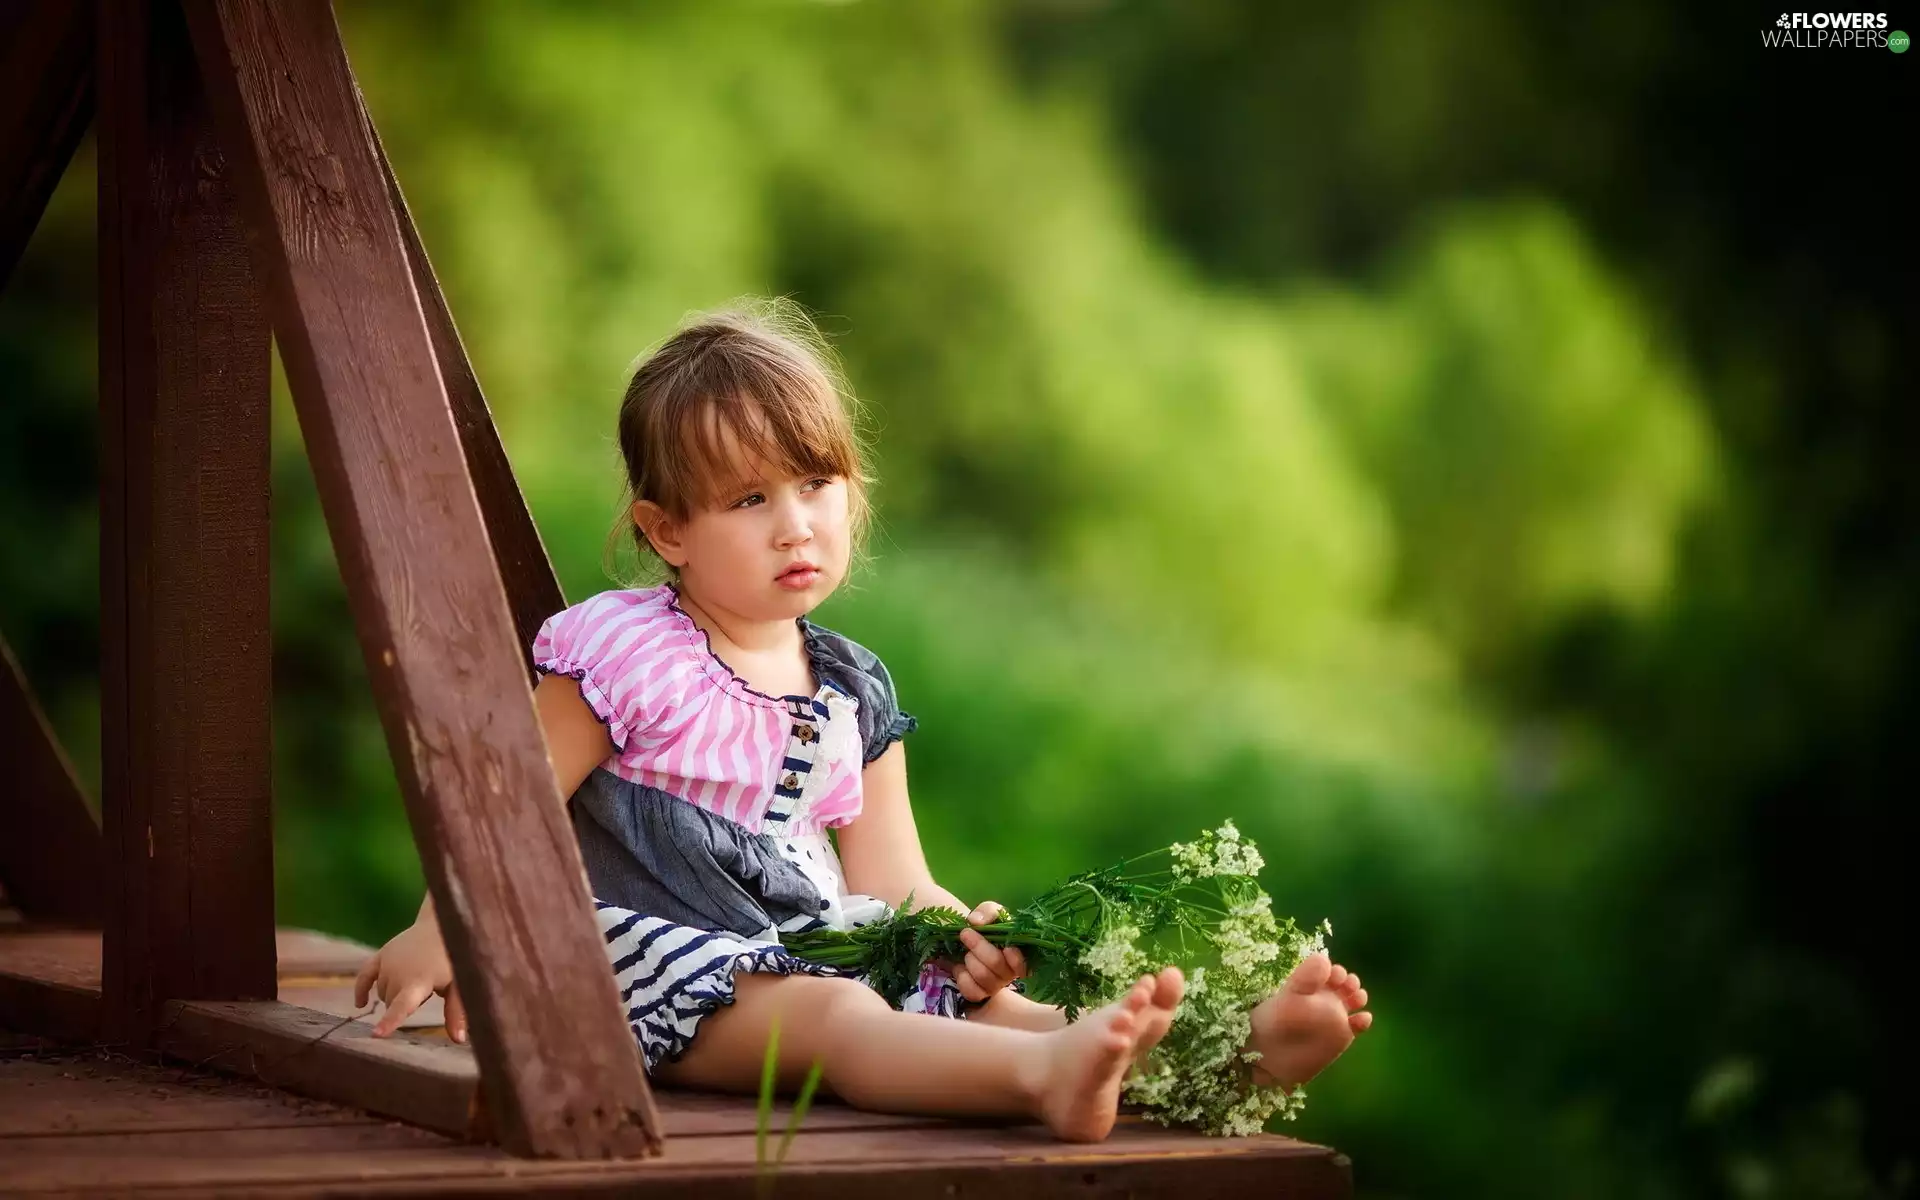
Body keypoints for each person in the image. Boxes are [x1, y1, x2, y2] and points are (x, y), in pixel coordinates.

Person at [353, 299, 1372, 1142]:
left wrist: (961, 936)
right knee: (837, 1017)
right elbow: (507, 800)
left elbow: (892, 882)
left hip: (812, 945)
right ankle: (1045, 1081)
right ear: (668, 531)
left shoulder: (849, 687)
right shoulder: (624, 651)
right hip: (651, 969)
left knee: (974, 999)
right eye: (749, 499)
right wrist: (443, 929)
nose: (795, 522)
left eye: (816, 482)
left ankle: (1211, 1060)